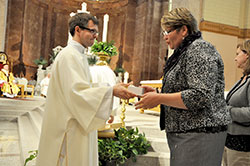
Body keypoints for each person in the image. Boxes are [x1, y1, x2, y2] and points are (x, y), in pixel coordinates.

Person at [36, 13, 136, 166]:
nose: (95, 36)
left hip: (77, 122)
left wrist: (108, 93)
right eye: (92, 31)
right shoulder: (69, 56)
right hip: (69, 128)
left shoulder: (77, 55)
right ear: (78, 29)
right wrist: (110, 92)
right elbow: (77, 93)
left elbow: (83, 87)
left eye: (96, 32)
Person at [135, 7, 231, 166]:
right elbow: (184, 89)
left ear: (184, 30)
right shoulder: (185, 52)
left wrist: (159, 98)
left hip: (200, 133)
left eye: (168, 31)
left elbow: (200, 96)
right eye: (163, 32)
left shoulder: (199, 49)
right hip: (188, 133)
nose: (165, 37)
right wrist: (158, 93)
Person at [223, 40, 250, 166]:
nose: (235, 58)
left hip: (243, 144)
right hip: (230, 140)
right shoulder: (243, 78)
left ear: (247, 55)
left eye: (238, 54)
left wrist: (226, 110)